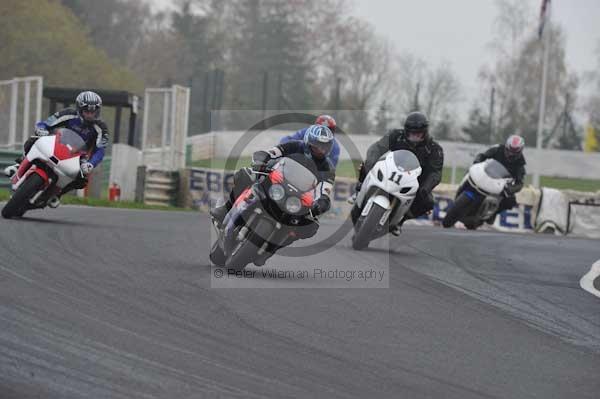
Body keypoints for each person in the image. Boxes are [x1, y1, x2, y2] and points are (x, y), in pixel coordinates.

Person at [211, 124, 335, 254]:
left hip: (296, 199)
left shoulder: (328, 168)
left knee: (310, 226)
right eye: (317, 145)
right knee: (244, 174)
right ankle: (226, 209)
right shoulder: (295, 146)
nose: (321, 150)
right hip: (276, 183)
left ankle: (273, 248)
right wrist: (261, 160)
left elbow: (325, 190)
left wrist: (321, 203)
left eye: (324, 147)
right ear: (308, 142)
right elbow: (273, 152)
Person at [4, 91, 109, 208]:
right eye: (87, 111)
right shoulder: (68, 113)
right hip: (57, 144)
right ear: (79, 109)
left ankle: (58, 194)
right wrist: (41, 129)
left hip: (79, 155)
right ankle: (21, 164)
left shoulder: (101, 128)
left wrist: (91, 164)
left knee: (82, 179)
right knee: (33, 140)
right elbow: (46, 123)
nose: (90, 115)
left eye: (93, 112)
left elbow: (100, 150)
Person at [353, 111, 444, 234]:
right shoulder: (396, 135)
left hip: (414, 182)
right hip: (389, 172)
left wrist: (426, 187)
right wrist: (371, 162)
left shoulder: (434, 149)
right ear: (406, 131)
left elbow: (435, 172)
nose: (415, 138)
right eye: (412, 134)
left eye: (418, 134)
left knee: (427, 202)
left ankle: (400, 220)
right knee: (365, 165)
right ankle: (359, 189)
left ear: (425, 132)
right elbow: (377, 148)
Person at [472, 134, 526, 223]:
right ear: (506, 146)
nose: (510, 154)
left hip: (500, 184)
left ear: (519, 152)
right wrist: (477, 162)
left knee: (511, 202)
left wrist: (510, 189)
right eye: (509, 150)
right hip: (485, 173)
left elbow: (520, 183)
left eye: (513, 152)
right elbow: (482, 155)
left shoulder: (520, 164)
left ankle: (493, 213)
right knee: (471, 171)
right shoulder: (497, 149)